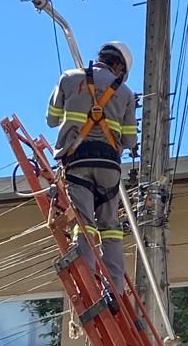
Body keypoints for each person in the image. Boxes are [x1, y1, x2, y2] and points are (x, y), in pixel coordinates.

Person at [46, 41, 138, 296]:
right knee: (110, 227)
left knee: (84, 224)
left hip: (77, 161)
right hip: (109, 166)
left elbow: (52, 120)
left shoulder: (69, 78)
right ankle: (116, 289)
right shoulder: (126, 93)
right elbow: (130, 141)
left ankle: (87, 284)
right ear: (118, 66)